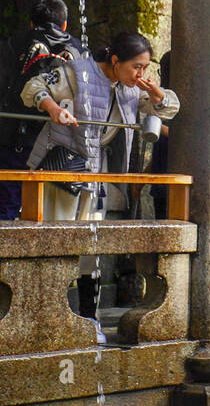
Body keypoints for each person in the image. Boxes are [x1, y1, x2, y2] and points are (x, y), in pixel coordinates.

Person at [21, 30, 179, 340]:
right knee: (56, 240)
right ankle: (45, 318)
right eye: (137, 66)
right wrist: (54, 109)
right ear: (116, 61)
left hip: (96, 172)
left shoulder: (132, 87)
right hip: (63, 166)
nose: (142, 74)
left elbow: (170, 108)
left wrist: (158, 94)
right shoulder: (78, 72)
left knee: (91, 246)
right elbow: (33, 87)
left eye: (146, 67)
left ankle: (88, 319)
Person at [0, 0, 83, 220]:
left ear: (31, 23)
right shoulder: (79, 49)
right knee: (53, 214)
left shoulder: (17, 43)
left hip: (14, 140)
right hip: (61, 148)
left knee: (3, 207)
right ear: (65, 23)